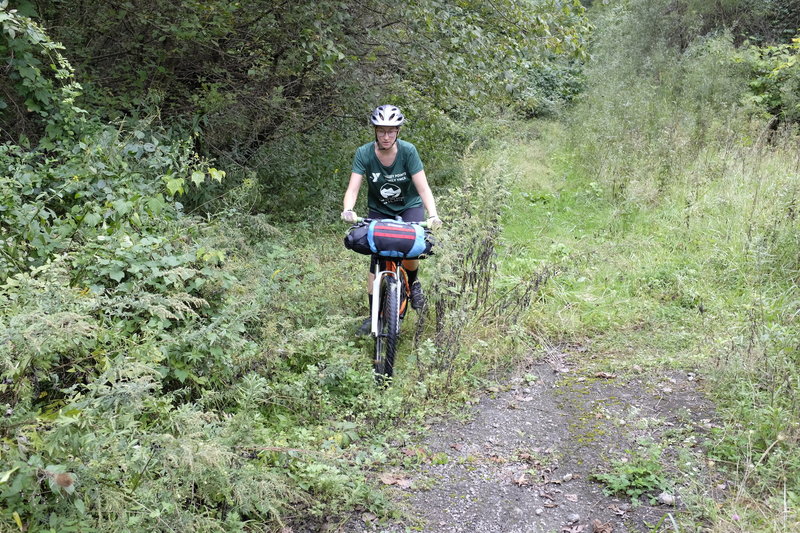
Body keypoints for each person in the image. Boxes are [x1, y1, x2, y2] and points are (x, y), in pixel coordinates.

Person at [341, 104, 442, 335]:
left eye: (391, 131)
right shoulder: (364, 153)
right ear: (375, 131)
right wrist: (348, 208)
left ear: (398, 131)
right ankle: (374, 314)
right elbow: (353, 188)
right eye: (381, 130)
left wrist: (433, 214)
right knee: (375, 261)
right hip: (379, 209)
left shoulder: (408, 152)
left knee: (412, 249)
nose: (386, 136)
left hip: (409, 207)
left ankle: (413, 283)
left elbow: (423, 188)